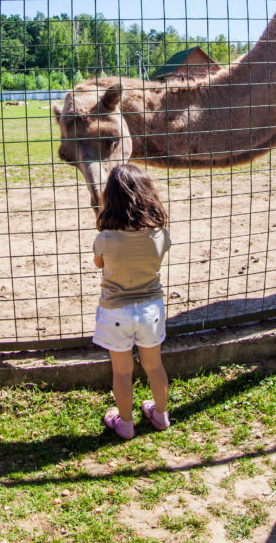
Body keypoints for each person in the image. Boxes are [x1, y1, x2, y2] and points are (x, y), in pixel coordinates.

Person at [91, 163, 173, 439]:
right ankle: (160, 415)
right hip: (151, 308)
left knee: (122, 372)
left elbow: (98, 263)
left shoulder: (105, 238)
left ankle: (125, 424)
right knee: (154, 365)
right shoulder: (160, 235)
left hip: (116, 310)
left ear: (109, 199)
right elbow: (157, 259)